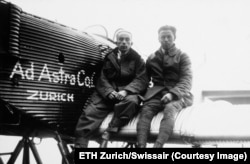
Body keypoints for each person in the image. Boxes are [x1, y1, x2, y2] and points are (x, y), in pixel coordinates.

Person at [74, 29, 148, 148]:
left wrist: (126, 91)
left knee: (132, 102)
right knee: (89, 114)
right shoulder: (109, 57)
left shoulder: (137, 59)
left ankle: (111, 129)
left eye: (127, 40)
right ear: (116, 42)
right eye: (121, 40)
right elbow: (102, 78)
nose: (124, 42)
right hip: (108, 93)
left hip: (127, 93)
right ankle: (79, 147)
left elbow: (142, 79)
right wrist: (109, 92)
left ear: (131, 43)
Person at [136, 25, 193, 148]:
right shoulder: (152, 58)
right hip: (156, 94)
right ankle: (141, 146)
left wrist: (172, 94)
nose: (166, 39)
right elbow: (143, 80)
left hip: (178, 94)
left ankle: (158, 146)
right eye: (163, 37)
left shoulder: (182, 56)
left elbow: (186, 80)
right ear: (158, 38)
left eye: (169, 37)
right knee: (145, 112)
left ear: (174, 38)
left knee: (170, 109)